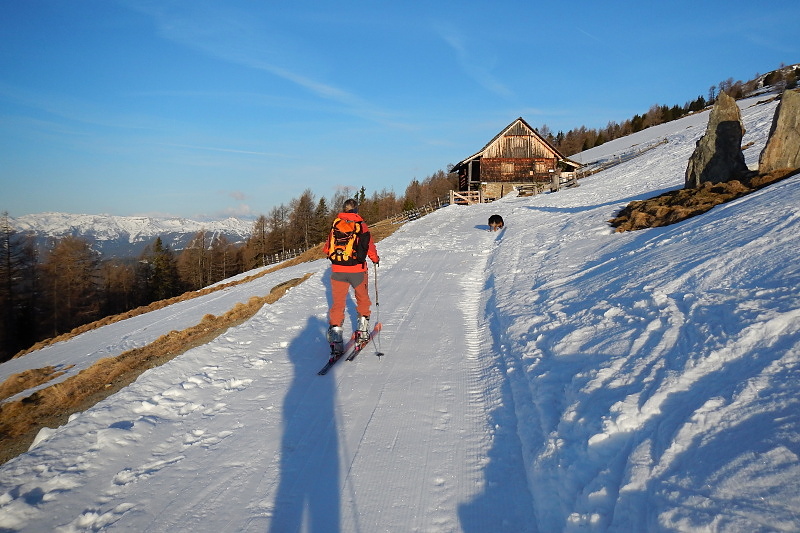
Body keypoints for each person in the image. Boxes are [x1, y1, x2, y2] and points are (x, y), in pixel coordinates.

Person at [323, 198, 380, 351]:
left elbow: (327, 249)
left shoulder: (335, 225)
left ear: (343, 209)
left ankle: (336, 340)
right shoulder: (361, 226)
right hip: (358, 270)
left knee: (338, 303)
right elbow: (369, 246)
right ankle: (362, 331)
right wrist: (375, 259)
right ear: (356, 210)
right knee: (362, 298)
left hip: (338, 270)